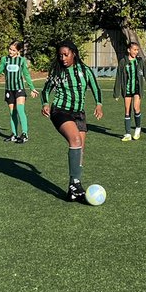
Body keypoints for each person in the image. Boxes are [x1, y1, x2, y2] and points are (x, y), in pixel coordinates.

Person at [41, 40, 103, 201]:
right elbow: (45, 90)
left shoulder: (85, 70)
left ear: (74, 53)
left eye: (66, 55)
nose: (63, 58)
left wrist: (99, 104)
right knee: (75, 140)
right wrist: (45, 104)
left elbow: (95, 88)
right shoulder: (57, 72)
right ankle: (76, 183)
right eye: (60, 55)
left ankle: (73, 189)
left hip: (79, 113)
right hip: (60, 111)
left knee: (80, 148)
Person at [0, 40, 38, 143]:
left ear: (18, 51)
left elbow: (26, 75)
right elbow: (1, 68)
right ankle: (14, 134)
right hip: (9, 90)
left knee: (20, 110)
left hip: (19, 89)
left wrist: (32, 88)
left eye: (13, 50)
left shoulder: (21, 60)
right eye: (10, 49)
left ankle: (24, 134)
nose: (10, 51)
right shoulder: (5, 59)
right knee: (12, 112)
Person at [112, 41, 146, 141]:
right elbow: (118, 77)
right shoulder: (123, 62)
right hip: (127, 89)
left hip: (137, 89)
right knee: (127, 110)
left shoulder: (140, 61)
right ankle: (127, 134)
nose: (136, 52)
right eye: (134, 50)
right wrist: (116, 93)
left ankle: (138, 128)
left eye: (137, 50)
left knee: (136, 108)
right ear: (129, 50)